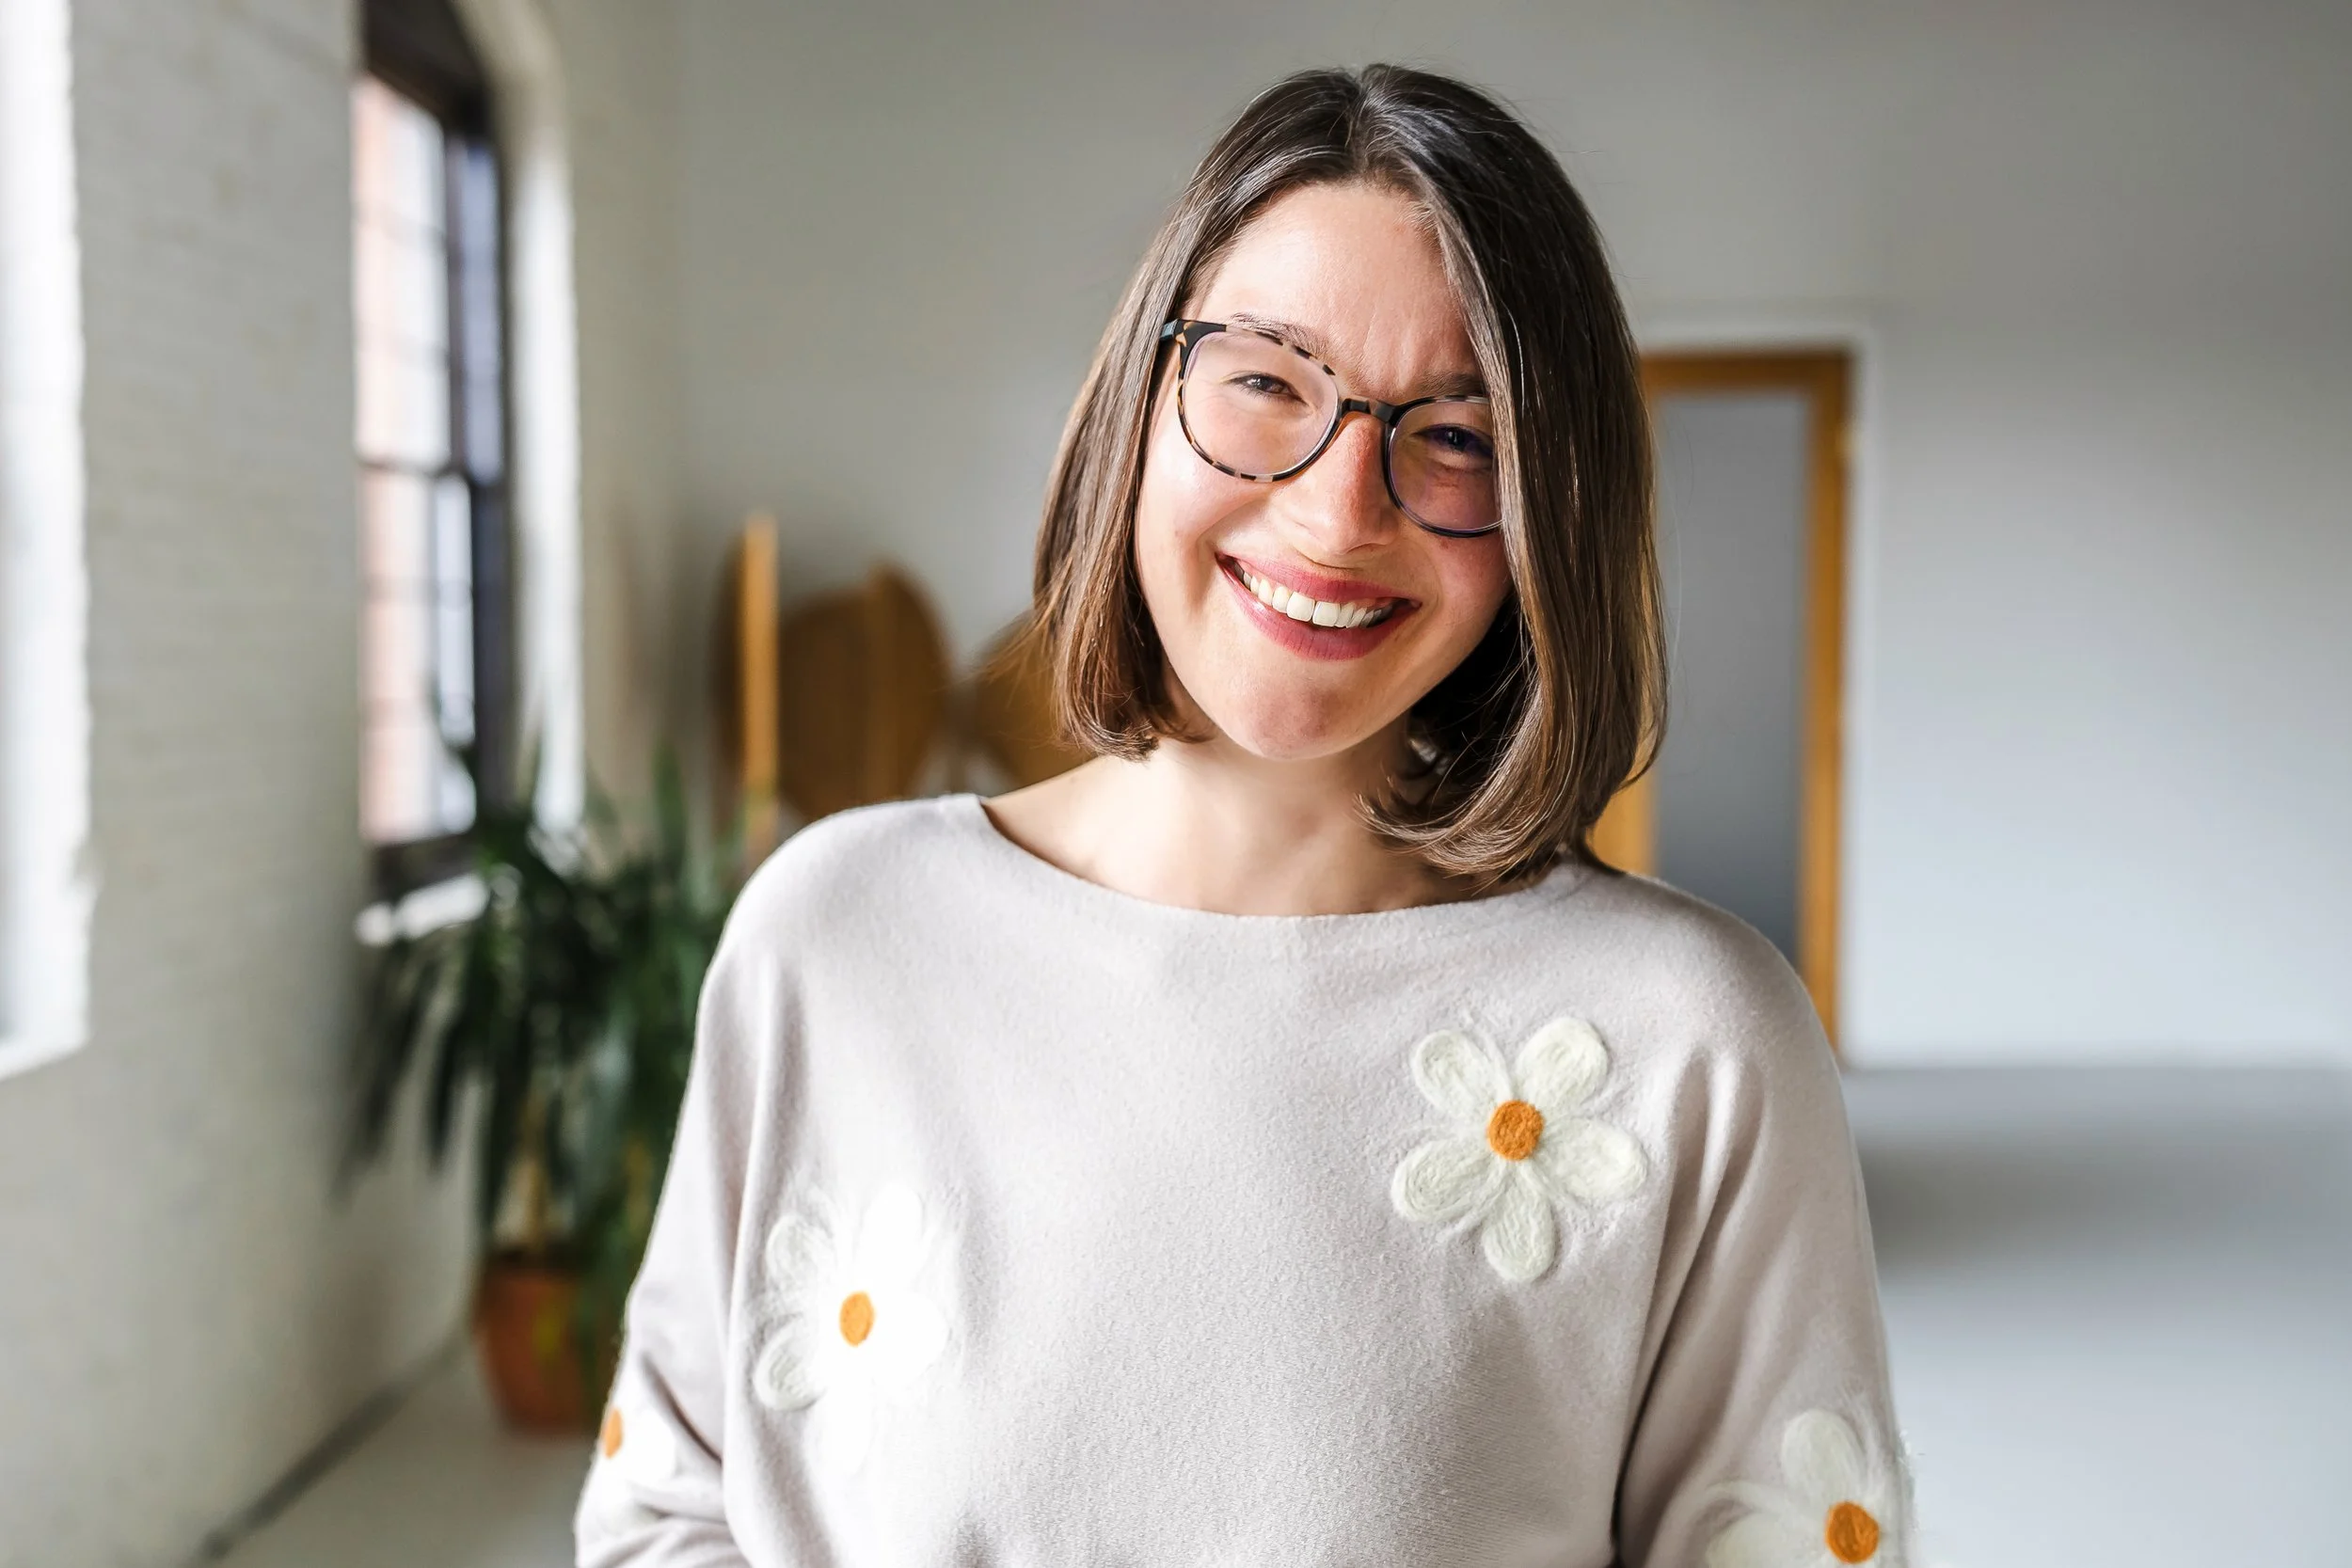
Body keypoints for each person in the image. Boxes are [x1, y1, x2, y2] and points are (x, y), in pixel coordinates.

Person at [577, 63, 1908, 1568]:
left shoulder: (1698, 1039)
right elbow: (665, 1514)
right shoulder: (834, 934)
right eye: (1268, 382)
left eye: (1459, 436)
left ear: (1553, 515)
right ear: (1141, 401)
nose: (1342, 512)